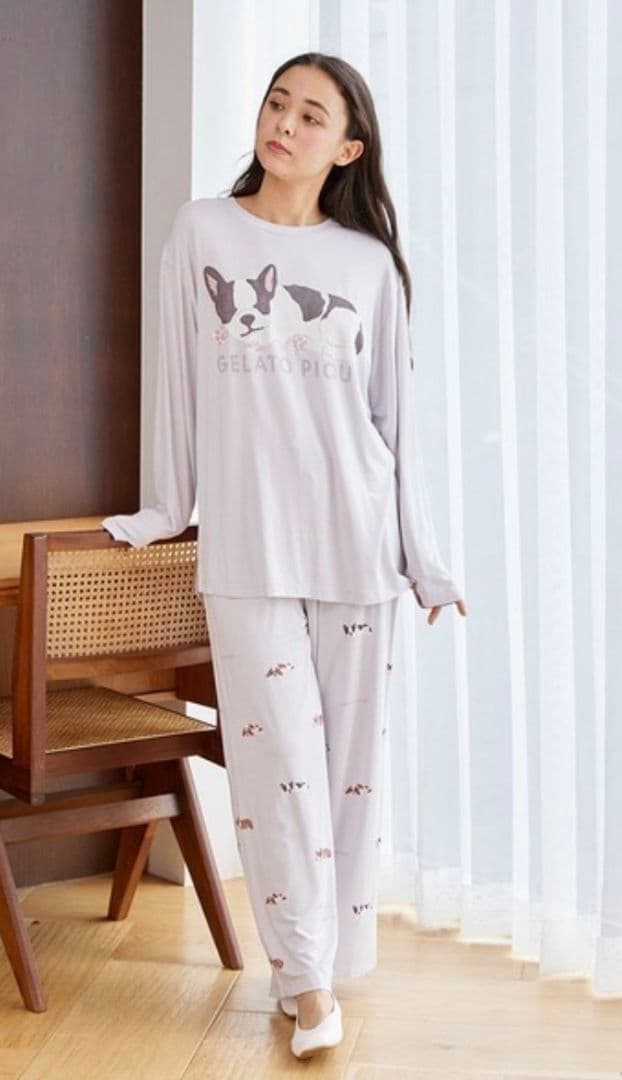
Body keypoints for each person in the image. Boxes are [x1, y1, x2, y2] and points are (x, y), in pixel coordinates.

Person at [102, 51, 467, 1061]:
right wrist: (165, 508)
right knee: (277, 774)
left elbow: (397, 423)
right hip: (249, 549)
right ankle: (306, 983)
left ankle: (319, 967)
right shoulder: (202, 231)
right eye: (277, 103)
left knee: (347, 775)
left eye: (312, 116)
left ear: (347, 148)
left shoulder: (369, 264)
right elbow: (175, 383)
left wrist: (424, 559)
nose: (285, 124)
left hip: (357, 548)